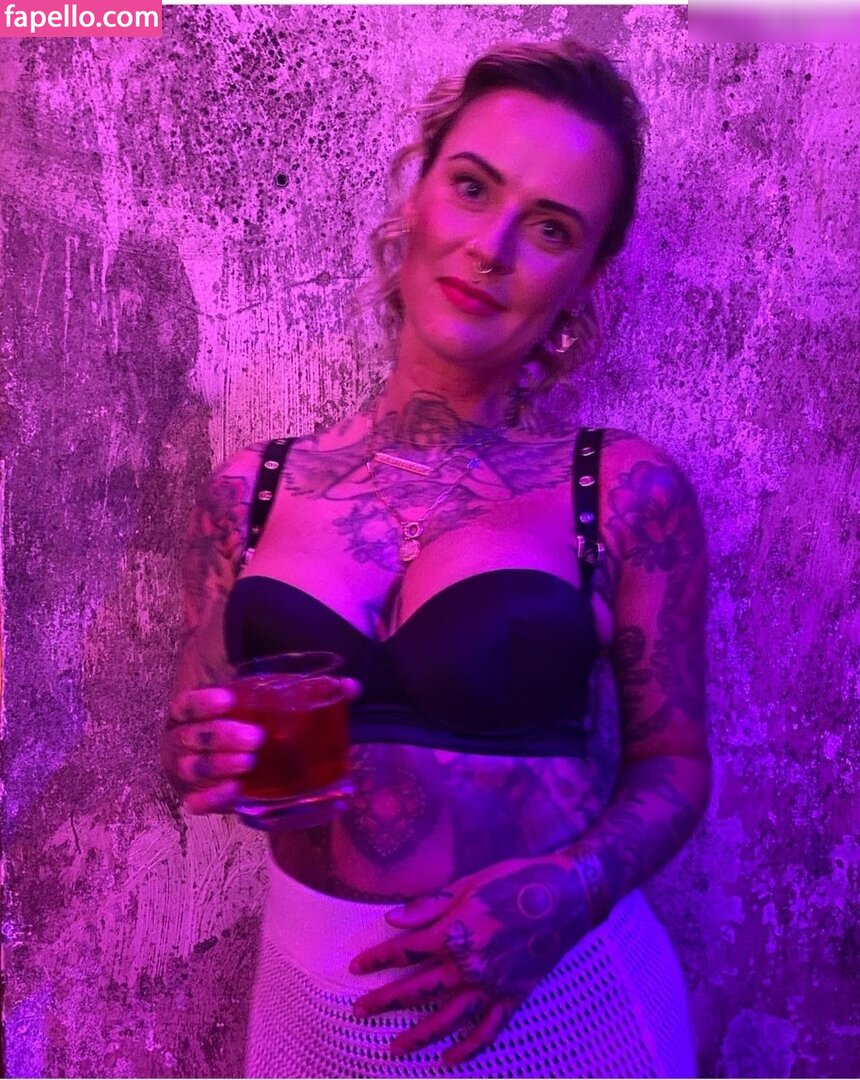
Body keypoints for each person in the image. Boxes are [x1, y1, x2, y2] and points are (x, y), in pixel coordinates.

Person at [162, 38, 710, 1079]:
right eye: (471, 186)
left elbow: (675, 766)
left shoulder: (621, 492)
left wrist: (565, 892)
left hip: (562, 1004)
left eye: (549, 228)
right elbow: (194, 734)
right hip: (312, 1012)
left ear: (584, 277)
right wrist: (196, 755)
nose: (490, 247)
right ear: (415, 195)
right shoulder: (248, 491)